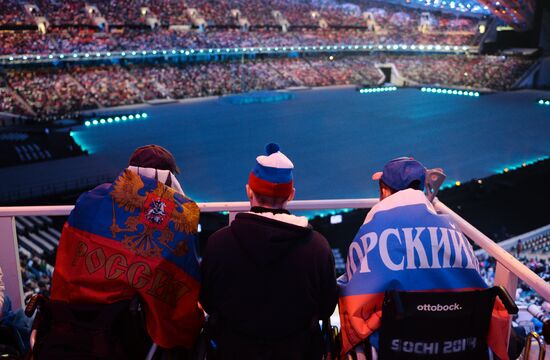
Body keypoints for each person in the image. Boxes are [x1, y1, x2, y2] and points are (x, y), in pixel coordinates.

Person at [36, 145, 204, 359]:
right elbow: (177, 296)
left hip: (68, 321)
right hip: (122, 334)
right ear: (170, 177)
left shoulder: (92, 199)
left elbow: (67, 255)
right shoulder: (177, 216)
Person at [338, 157, 511, 359]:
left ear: (384, 191)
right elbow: (475, 284)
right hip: (458, 345)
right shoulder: (454, 231)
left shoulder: (369, 233)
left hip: (397, 348)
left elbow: (353, 297)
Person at [200, 143, 338, 360]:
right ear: (291, 195)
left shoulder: (218, 243)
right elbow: (326, 308)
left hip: (232, 351)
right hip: (297, 351)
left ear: (249, 190)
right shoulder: (317, 247)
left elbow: (208, 301)